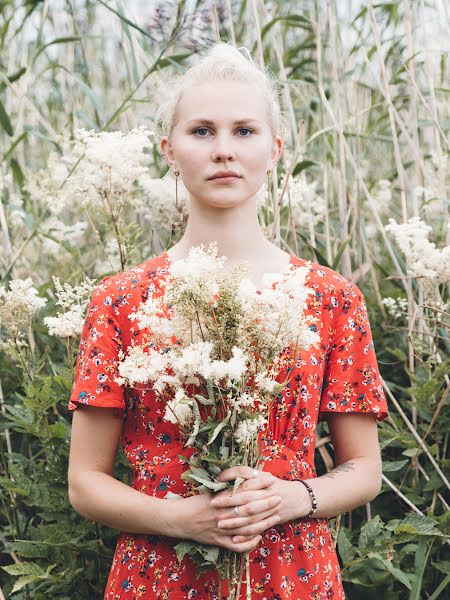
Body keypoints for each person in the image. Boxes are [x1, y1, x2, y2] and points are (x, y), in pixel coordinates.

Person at [67, 42, 389, 599]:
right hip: (160, 574)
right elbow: (85, 482)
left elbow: (364, 470)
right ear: (169, 150)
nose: (223, 151)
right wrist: (180, 518)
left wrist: (294, 497)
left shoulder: (330, 297)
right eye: (201, 132)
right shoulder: (121, 299)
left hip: (294, 572)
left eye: (244, 131)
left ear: (275, 148)